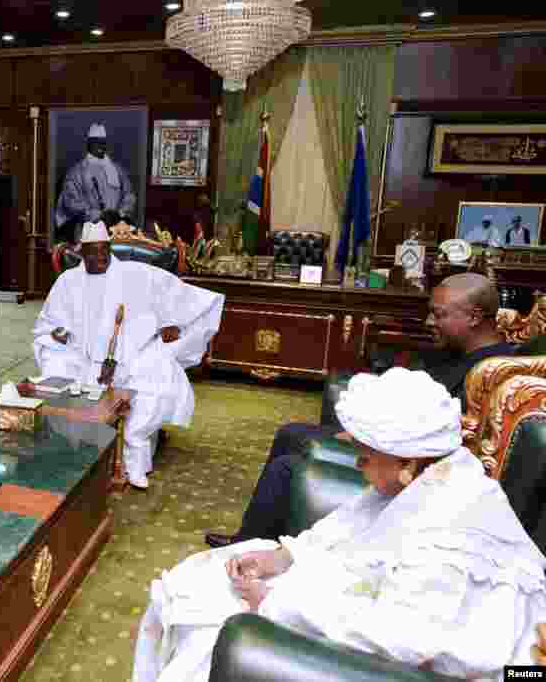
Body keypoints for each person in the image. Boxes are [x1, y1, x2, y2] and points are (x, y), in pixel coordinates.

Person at [133, 368, 546, 682]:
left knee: (211, 627)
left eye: (366, 455)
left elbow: (407, 639)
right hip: (389, 610)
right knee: (195, 585)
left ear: (407, 463)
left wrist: (274, 602)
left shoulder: (451, 536)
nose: (358, 464)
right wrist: (283, 557)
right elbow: (357, 520)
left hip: (478, 669)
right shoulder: (433, 471)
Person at [204, 272, 515, 548]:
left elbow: (444, 440)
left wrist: (366, 440)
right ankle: (254, 539)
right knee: (290, 434)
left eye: (439, 314)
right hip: (390, 442)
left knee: (285, 466)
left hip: (410, 466)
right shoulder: (460, 353)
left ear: (474, 317)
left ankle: (250, 545)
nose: (429, 322)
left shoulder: (490, 373)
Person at [33, 221, 224, 489]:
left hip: (133, 355)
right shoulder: (68, 281)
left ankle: (134, 461)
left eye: (103, 251)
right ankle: (72, 452)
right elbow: (48, 324)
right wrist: (57, 334)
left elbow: (177, 296)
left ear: (109, 249)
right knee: (57, 366)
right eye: (92, 253)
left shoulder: (136, 274)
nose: (99, 258)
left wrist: (173, 324)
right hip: (82, 357)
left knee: (155, 374)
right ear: (82, 254)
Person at [54, 124, 137, 232]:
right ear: (89, 144)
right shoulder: (76, 172)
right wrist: (98, 215)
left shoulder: (117, 169)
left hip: (117, 229)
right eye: (96, 142)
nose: (100, 145)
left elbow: (129, 195)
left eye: (102, 142)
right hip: (88, 230)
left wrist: (120, 213)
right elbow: (70, 202)